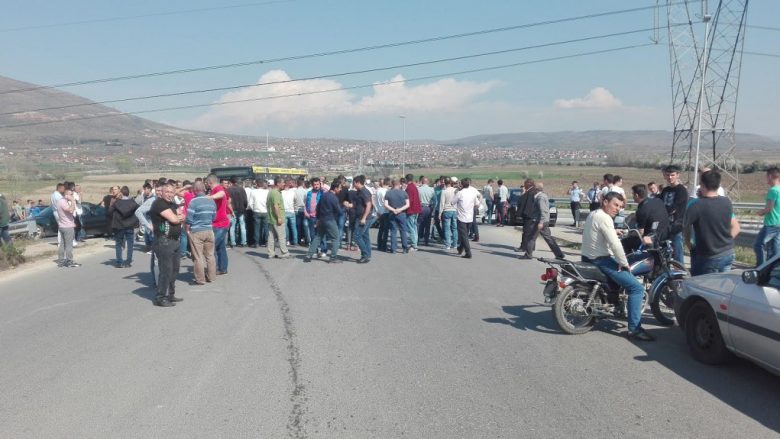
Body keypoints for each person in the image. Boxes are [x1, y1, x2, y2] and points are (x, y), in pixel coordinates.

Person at [582, 192, 654, 341]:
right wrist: (624, 263)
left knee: (618, 281)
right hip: (600, 260)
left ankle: (615, 304)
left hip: (587, 257)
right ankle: (635, 329)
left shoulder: (594, 214)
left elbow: (597, 231)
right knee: (636, 288)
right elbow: (615, 244)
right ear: (605, 202)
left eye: (620, 207)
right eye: (615, 205)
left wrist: (614, 231)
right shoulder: (605, 218)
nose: (618, 209)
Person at [683, 170, 740, 275]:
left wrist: (689, 244)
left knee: (701, 288)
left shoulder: (695, 205)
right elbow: (736, 228)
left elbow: (684, 227)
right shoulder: (726, 202)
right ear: (718, 185)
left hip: (707, 257)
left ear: (702, 185)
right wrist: (723, 241)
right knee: (721, 288)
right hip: (728, 253)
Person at [150, 184, 185, 307]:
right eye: (167, 192)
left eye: (172, 192)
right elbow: (175, 219)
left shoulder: (172, 204)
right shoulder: (159, 204)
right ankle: (161, 297)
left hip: (174, 240)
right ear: (162, 192)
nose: (170, 194)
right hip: (164, 241)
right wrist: (177, 217)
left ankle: (170, 294)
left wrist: (178, 217)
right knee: (166, 270)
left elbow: (182, 216)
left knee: (174, 269)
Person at [521, 182, 565, 260]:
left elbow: (543, 211)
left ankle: (528, 255)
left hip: (538, 221)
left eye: (534, 187)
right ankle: (559, 254)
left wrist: (541, 222)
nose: (533, 189)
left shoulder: (540, 197)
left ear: (536, 189)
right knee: (548, 238)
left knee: (531, 237)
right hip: (543, 220)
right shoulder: (543, 196)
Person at [304, 180, 342, 263]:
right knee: (336, 238)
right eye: (339, 188)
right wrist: (346, 207)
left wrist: (318, 219)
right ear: (335, 188)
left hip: (321, 219)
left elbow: (318, 207)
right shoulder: (334, 198)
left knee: (318, 237)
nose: (340, 190)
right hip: (330, 220)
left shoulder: (324, 195)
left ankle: (309, 255)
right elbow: (339, 211)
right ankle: (333, 257)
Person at [186, 181, 217, 285]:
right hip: (209, 230)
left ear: (194, 190)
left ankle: (200, 279)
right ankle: (212, 277)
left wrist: (187, 229)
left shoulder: (193, 201)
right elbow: (214, 216)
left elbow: (189, 218)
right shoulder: (211, 201)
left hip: (197, 231)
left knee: (198, 256)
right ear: (204, 189)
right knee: (210, 255)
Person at [659, 165, 689, 265]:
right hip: (664, 226)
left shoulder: (681, 190)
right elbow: (659, 204)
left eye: (672, 175)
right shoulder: (665, 190)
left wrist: (662, 212)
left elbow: (673, 208)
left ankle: (680, 276)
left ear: (677, 175)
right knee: (663, 254)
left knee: (677, 254)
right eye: (668, 175)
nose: (670, 177)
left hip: (676, 226)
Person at [753, 167, 780, 266]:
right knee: (775, 248)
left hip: (771, 224)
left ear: (770, 176)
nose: (766, 179)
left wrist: (760, 212)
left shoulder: (773, 190)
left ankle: (761, 268)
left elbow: (769, 208)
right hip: (779, 224)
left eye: (766, 177)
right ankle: (774, 268)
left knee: (758, 245)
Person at [109, 186, 139, 268]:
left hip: (119, 225)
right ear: (128, 193)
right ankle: (128, 262)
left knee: (118, 244)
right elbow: (138, 211)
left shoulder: (117, 202)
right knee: (130, 244)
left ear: (121, 193)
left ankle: (119, 262)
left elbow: (110, 211)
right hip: (130, 225)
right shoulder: (133, 203)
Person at [206, 174, 230, 275]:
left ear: (210, 182)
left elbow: (222, 194)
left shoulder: (217, 188)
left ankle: (213, 270)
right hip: (219, 223)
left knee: (212, 247)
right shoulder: (213, 190)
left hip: (220, 224)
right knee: (221, 247)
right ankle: (223, 268)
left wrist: (210, 197)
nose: (207, 185)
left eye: (207, 183)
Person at [452, 178, 481, 259]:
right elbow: (477, 203)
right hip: (470, 217)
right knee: (464, 235)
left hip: (461, 218)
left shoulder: (460, 193)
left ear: (461, 184)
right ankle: (460, 248)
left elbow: (452, 202)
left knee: (464, 236)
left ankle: (468, 253)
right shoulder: (472, 193)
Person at [351, 175, 375, 263]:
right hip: (360, 216)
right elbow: (359, 204)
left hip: (364, 218)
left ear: (357, 182)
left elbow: (368, 205)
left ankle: (365, 254)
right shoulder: (359, 191)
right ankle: (367, 254)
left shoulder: (364, 192)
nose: (353, 185)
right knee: (365, 236)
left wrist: (364, 218)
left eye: (353, 183)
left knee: (357, 236)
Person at [266, 177, 290, 259]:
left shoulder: (271, 192)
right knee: (281, 236)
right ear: (278, 183)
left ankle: (271, 253)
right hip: (276, 218)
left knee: (271, 237)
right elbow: (276, 206)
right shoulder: (276, 193)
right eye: (283, 183)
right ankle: (285, 252)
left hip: (271, 218)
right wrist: (279, 218)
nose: (284, 184)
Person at [56, 188, 80, 268]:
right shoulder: (63, 202)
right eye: (70, 194)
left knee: (62, 244)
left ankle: (61, 261)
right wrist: (73, 201)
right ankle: (69, 261)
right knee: (68, 245)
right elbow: (70, 210)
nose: (72, 196)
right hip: (67, 227)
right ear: (66, 195)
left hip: (63, 226)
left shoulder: (60, 201)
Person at [385, 178, 410, 254]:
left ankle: (393, 249)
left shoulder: (388, 193)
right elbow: (408, 205)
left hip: (392, 213)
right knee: (403, 230)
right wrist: (400, 210)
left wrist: (393, 210)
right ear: (399, 184)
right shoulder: (404, 193)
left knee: (393, 231)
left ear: (392, 184)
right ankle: (405, 248)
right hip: (402, 213)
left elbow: (385, 205)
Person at [516, 179, 538, 253]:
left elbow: (521, 201)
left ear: (528, 184)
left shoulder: (530, 192)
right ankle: (531, 247)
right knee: (531, 232)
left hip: (528, 215)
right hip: (532, 215)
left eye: (525, 184)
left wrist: (523, 193)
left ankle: (523, 247)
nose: (524, 186)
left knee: (526, 232)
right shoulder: (534, 191)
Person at [228, 176, 248, 248]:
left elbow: (228, 201)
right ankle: (243, 242)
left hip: (232, 210)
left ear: (231, 182)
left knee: (232, 226)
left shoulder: (228, 190)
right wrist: (244, 207)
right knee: (242, 226)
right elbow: (245, 200)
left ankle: (233, 243)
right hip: (241, 209)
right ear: (237, 182)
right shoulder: (241, 189)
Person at [248, 179, 270, 247]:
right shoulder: (267, 192)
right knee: (266, 228)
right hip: (265, 211)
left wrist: (254, 209)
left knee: (256, 228)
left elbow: (250, 203)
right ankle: (266, 242)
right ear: (263, 184)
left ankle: (256, 243)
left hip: (256, 211)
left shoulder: (253, 192)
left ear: (256, 184)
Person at [438, 177, 458, 250]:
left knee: (446, 228)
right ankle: (455, 244)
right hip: (454, 210)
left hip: (446, 210)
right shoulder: (456, 190)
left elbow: (442, 203)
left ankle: (448, 244)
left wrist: (440, 213)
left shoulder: (444, 191)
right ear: (451, 182)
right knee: (454, 228)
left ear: (445, 183)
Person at [417, 176, 435, 246]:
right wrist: (432, 207)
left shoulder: (418, 189)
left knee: (418, 224)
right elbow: (434, 200)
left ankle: (417, 239)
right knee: (427, 225)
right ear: (427, 182)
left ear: (422, 181)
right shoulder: (431, 190)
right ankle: (426, 241)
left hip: (421, 207)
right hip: (428, 207)